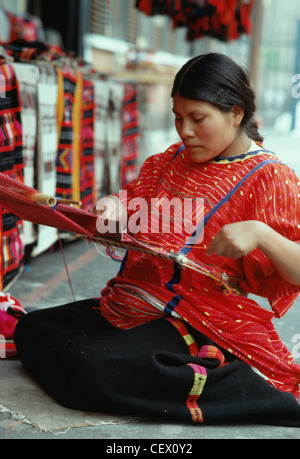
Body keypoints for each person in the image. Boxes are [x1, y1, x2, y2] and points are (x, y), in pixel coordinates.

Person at [15, 53, 300, 426]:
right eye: (178, 118)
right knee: (34, 329)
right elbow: (132, 198)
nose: (185, 131)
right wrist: (115, 207)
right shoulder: (169, 161)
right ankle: (180, 368)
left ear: (236, 113)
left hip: (198, 318)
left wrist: (261, 234)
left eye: (198, 119)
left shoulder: (272, 178)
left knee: (90, 365)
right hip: (131, 304)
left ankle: (243, 386)